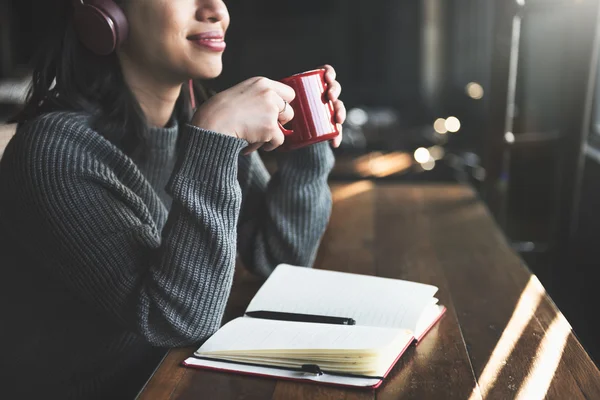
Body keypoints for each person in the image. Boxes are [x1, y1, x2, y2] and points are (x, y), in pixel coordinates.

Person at [0, 0, 346, 398]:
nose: (216, 9)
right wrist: (215, 141)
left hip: (177, 382)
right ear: (105, 12)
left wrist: (304, 135)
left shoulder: (194, 126)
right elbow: (175, 321)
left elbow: (278, 257)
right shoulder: (52, 154)